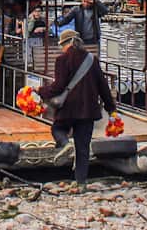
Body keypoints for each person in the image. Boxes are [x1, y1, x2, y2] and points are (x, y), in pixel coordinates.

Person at [37, 29, 118, 186]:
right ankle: (81, 183)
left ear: (67, 44)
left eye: (62, 45)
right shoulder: (92, 59)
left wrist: (39, 91)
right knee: (83, 148)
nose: (61, 49)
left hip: (68, 109)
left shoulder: (62, 60)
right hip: (88, 110)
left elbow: (58, 87)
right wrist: (111, 109)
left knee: (57, 130)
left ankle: (66, 144)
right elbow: (103, 87)